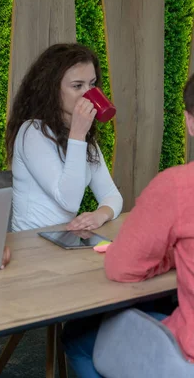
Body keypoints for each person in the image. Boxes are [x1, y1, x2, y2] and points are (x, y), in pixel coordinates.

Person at [63, 74, 194, 377]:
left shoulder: (177, 186)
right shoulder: (33, 134)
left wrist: (172, 255)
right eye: (77, 85)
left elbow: (122, 268)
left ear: (189, 121)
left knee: (79, 335)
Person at [6, 43, 123, 232]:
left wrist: (100, 214)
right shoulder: (32, 132)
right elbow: (69, 201)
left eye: (92, 84)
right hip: (31, 244)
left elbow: (111, 195)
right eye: (77, 86)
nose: (88, 93)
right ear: (51, 90)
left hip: (65, 239)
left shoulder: (84, 138)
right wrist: (77, 135)